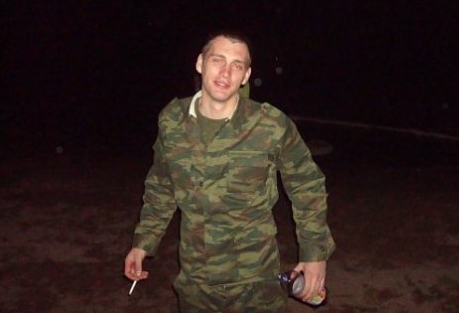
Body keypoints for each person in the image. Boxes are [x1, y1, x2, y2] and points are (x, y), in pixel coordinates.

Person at [124, 32, 335, 312]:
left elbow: (307, 184)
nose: (226, 72)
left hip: (257, 280)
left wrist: (314, 254)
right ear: (200, 63)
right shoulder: (172, 120)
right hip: (196, 281)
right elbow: (161, 186)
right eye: (218, 60)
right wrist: (143, 243)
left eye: (237, 65)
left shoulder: (270, 124)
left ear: (246, 76)